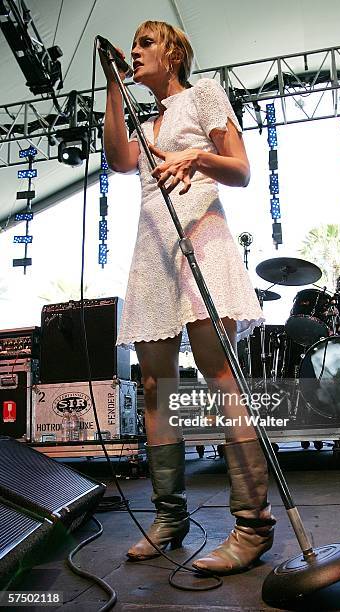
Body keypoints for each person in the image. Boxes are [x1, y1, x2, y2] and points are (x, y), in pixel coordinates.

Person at [99, 20, 275, 574]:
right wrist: (112, 86)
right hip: (152, 250)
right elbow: (119, 160)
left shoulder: (204, 95)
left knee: (217, 372)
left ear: (172, 53)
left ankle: (252, 525)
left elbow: (242, 170)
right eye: (132, 47)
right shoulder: (147, 120)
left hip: (201, 235)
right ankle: (169, 517)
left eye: (145, 44)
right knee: (154, 384)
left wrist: (196, 160)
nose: (136, 51)